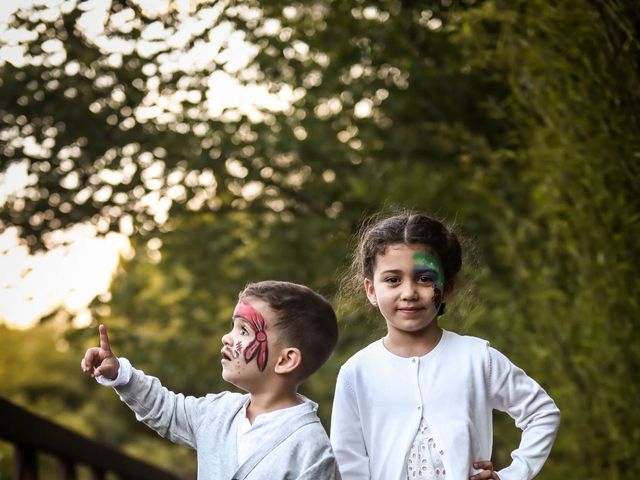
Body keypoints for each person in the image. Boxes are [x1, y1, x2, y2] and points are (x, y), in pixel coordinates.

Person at [330, 212, 560, 480]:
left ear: (447, 287)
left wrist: (515, 474)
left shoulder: (477, 359)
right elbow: (347, 464)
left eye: (425, 278)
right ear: (371, 290)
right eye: (393, 279)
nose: (409, 293)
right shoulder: (357, 372)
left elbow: (542, 413)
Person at [82, 280, 341, 480]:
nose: (227, 337)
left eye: (244, 330)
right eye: (232, 326)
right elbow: (166, 409)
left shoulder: (311, 448)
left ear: (285, 360)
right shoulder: (218, 413)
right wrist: (120, 375)